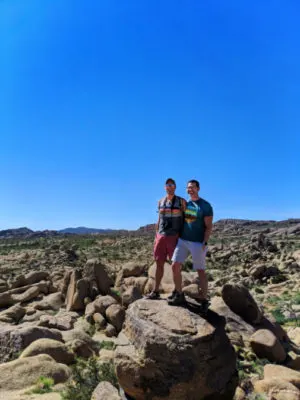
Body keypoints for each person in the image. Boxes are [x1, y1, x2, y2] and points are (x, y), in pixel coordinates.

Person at [168, 179, 213, 306]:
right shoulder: (186, 204)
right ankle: (179, 293)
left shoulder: (205, 206)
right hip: (183, 240)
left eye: (192, 187)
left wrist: (204, 242)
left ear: (198, 188)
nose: (190, 189)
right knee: (175, 265)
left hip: (197, 243)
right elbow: (187, 221)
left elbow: (209, 227)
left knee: (200, 271)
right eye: (188, 187)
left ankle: (204, 300)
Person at [145, 178, 186, 299]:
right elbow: (159, 219)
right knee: (159, 264)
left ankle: (178, 292)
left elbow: (188, 219)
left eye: (172, 185)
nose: (170, 187)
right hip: (161, 237)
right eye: (168, 185)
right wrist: (156, 236)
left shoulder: (181, 201)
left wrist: (184, 236)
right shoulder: (160, 202)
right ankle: (155, 291)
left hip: (175, 237)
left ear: (175, 187)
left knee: (175, 265)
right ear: (165, 187)